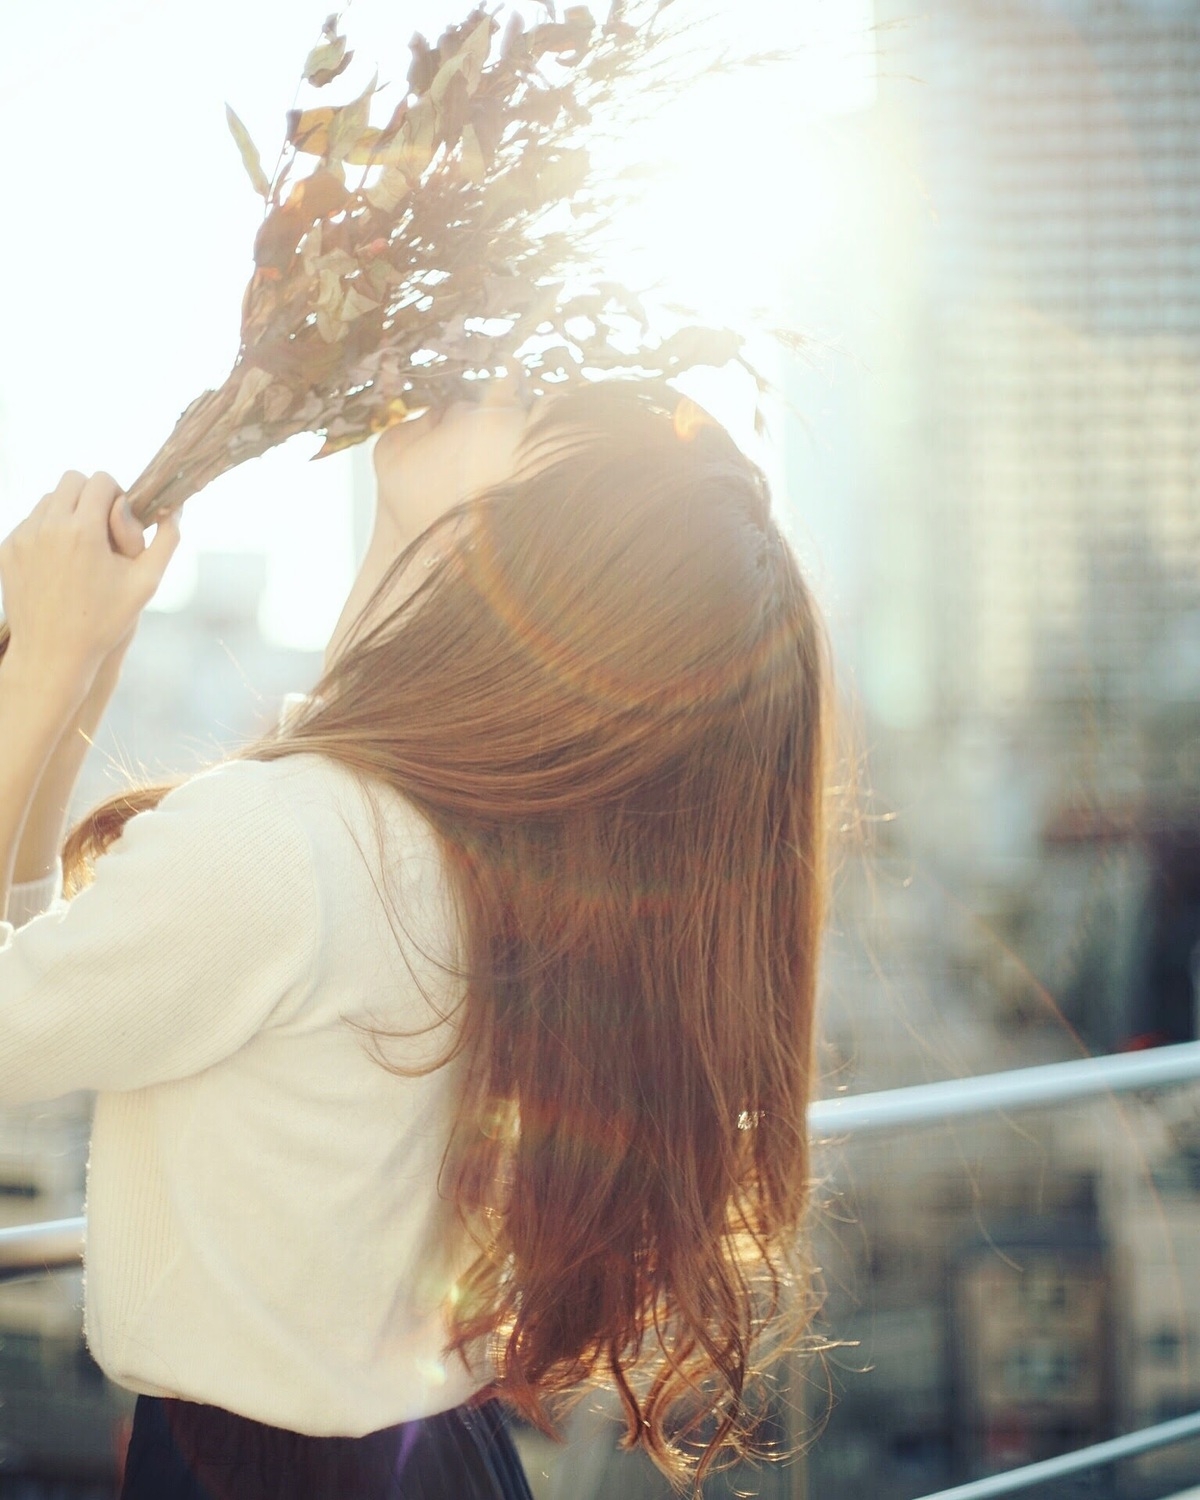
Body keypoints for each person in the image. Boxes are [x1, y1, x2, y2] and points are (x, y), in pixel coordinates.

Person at [0, 379, 829, 1499]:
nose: (491, 380)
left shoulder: (292, 836)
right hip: (433, 1456)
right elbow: (44, 976)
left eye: (532, 412)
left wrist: (44, 662)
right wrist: (84, 660)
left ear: (534, 564)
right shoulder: (416, 833)